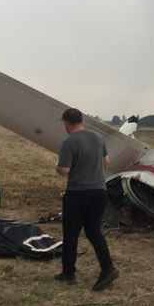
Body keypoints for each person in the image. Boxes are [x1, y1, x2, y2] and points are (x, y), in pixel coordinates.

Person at [55, 108, 118, 291]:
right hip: (99, 192)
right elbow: (106, 162)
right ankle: (107, 268)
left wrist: (58, 167)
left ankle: (69, 274)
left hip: (77, 194)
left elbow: (64, 170)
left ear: (67, 123)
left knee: (71, 234)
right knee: (93, 231)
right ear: (81, 120)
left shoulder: (69, 142)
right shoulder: (98, 137)